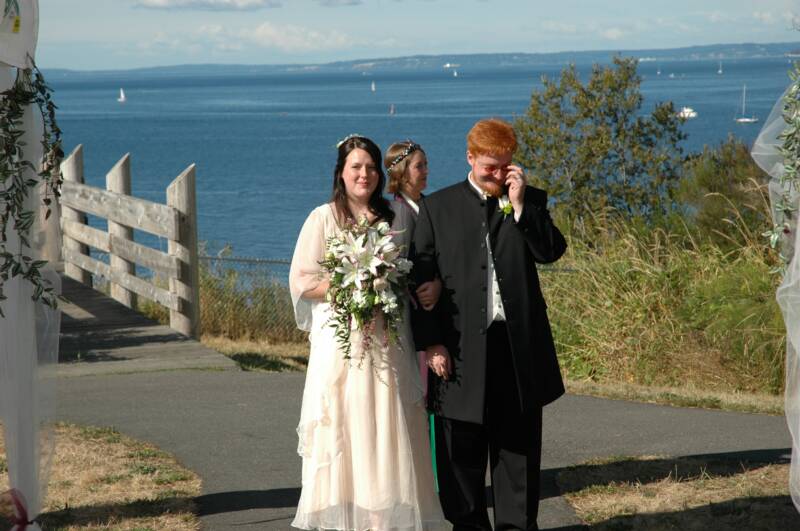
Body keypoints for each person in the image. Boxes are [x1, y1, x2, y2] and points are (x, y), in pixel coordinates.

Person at [411, 118, 567, 530]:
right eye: (490, 167)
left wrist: (520, 207)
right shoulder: (437, 207)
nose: (498, 175)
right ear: (470, 158)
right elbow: (419, 280)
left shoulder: (528, 201)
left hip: (516, 350)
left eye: (505, 166)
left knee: (517, 454)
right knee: (460, 456)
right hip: (458, 350)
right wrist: (432, 345)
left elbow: (551, 252)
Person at [289, 135, 444, 531]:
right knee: (348, 429)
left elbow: (410, 270)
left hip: (387, 344)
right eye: (356, 167)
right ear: (341, 173)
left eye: (371, 167)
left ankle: (384, 522)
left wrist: (424, 286)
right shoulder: (322, 218)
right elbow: (303, 281)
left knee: (386, 433)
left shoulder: (391, 219)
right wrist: (350, 287)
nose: (365, 174)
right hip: (343, 349)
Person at [385, 140, 440, 394]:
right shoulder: (398, 213)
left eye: (426, 164)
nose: (427, 171)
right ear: (402, 172)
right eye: (420, 166)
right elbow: (399, 270)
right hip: (413, 320)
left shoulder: (430, 207)